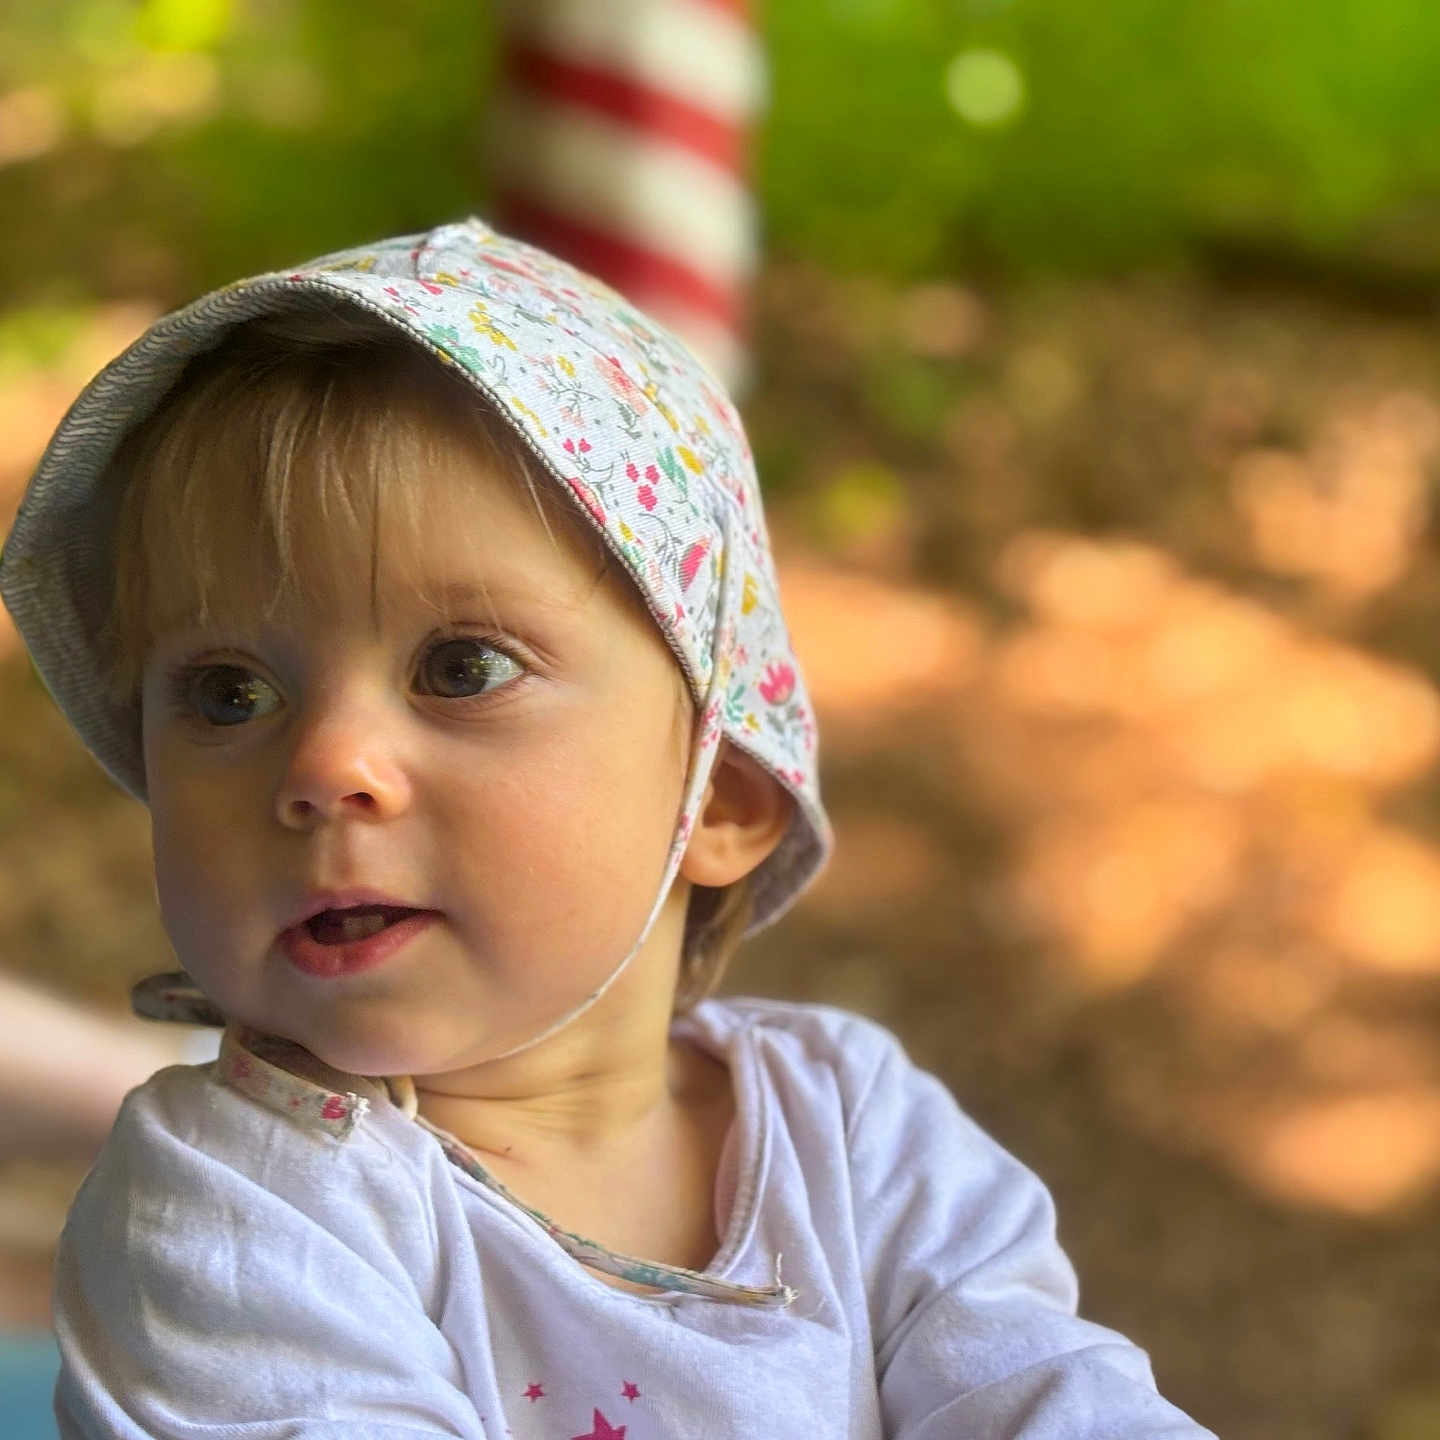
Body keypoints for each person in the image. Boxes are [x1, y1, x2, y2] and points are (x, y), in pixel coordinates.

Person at [0, 218, 1216, 1439]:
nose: (324, 767)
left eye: (461, 666)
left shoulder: (853, 1129)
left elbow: (1051, 1400)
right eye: (228, 693)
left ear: (723, 796)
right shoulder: (243, 1212)